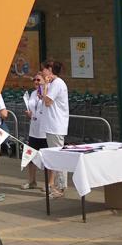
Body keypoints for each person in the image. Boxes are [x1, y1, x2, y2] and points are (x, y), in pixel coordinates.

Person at [40, 59, 69, 198]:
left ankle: (61, 187)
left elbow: (47, 102)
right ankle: (58, 187)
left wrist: (45, 85)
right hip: (52, 126)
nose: (42, 72)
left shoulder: (57, 84)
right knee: (56, 155)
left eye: (44, 69)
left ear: (50, 70)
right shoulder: (55, 84)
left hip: (56, 126)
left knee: (59, 156)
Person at [21, 71, 47, 190]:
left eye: (38, 80)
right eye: (34, 80)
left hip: (45, 131)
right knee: (30, 156)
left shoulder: (47, 94)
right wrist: (29, 114)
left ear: (44, 81)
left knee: (47, 158)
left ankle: (49, 184)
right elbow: (32, 109)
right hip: (34, 130)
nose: (36, 82)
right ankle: (32, 181)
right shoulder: (32, 94)